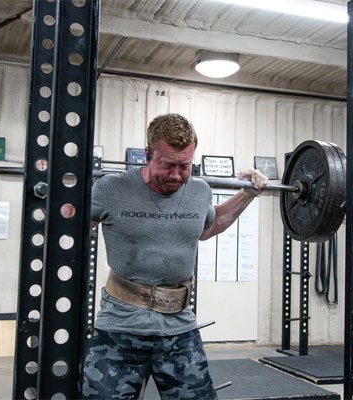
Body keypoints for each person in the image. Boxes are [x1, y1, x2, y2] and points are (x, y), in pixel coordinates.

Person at [80, 113, 268, 399]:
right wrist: (58, 183)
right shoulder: (111, 189)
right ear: (147, 154)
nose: (176, 175)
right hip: (120, 327)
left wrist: (247, 194)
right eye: (167, 165)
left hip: (179, 327)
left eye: (185, 166)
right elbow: (69, 227)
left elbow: (209, 226)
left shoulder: (199, 191)